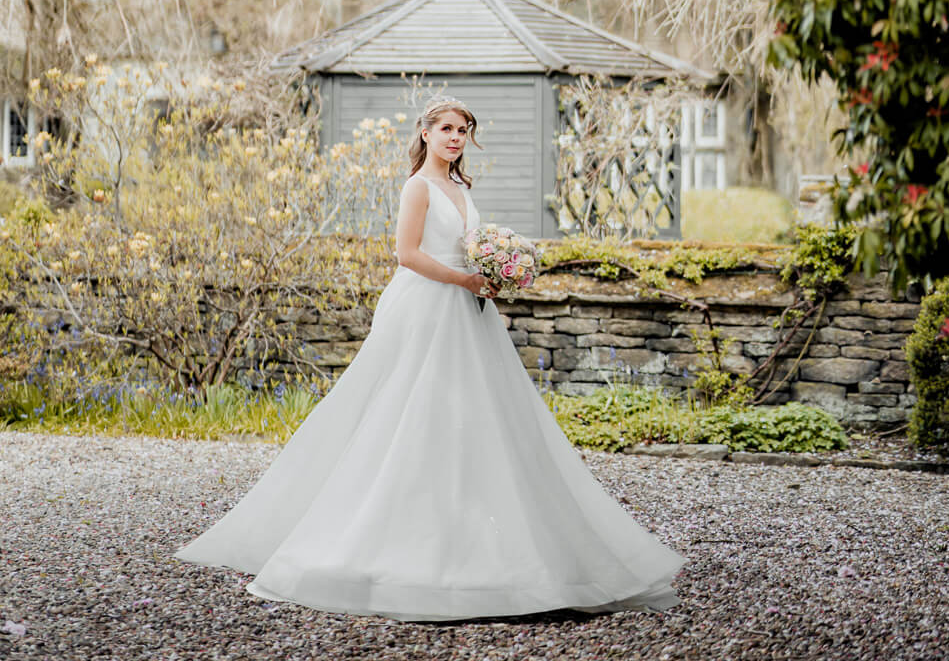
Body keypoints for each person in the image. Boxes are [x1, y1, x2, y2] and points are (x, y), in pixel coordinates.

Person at [175, 97, 683, 621]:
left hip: (469, 311)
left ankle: (488, 541)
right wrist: (465, 277)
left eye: (463, 129)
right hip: (426, 307)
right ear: (425, 133)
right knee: (410, 411)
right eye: (446, 128)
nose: (455, 137)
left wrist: (493, 272)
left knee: (476, 418)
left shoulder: (462, 187)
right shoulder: (416, 186)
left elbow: (466, 245)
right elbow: (408, 254)